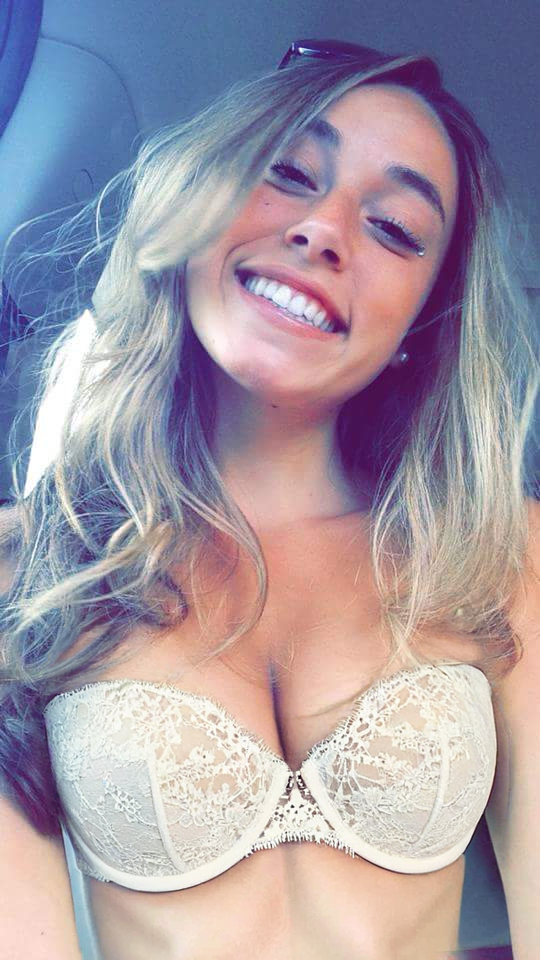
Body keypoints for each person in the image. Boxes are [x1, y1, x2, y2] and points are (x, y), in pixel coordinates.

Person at [0, 38, 538, 960]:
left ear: (423, 320)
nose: (324, 229)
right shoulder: (27, 571)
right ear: (197, 207)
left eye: (395, 227)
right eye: (287, 174)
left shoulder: (499, 553)